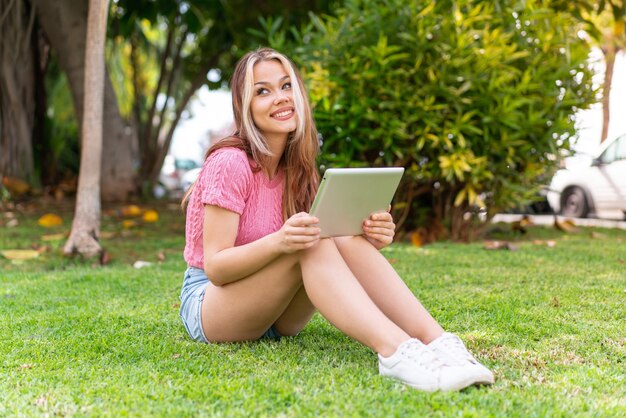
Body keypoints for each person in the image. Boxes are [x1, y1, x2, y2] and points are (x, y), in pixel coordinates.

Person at [179, 47, 494, 392]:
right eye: (263, 91)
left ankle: (439, 343)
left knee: (331, 231)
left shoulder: (298, 166)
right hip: (211, 304)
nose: (281, 98)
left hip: (277, 313)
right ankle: (397, 352)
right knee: (307, 243)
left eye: (287, 86)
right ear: (245, 107)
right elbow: (216, 268)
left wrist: (370, 234)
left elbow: (333, 247)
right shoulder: (231, 163)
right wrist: (280, 241)